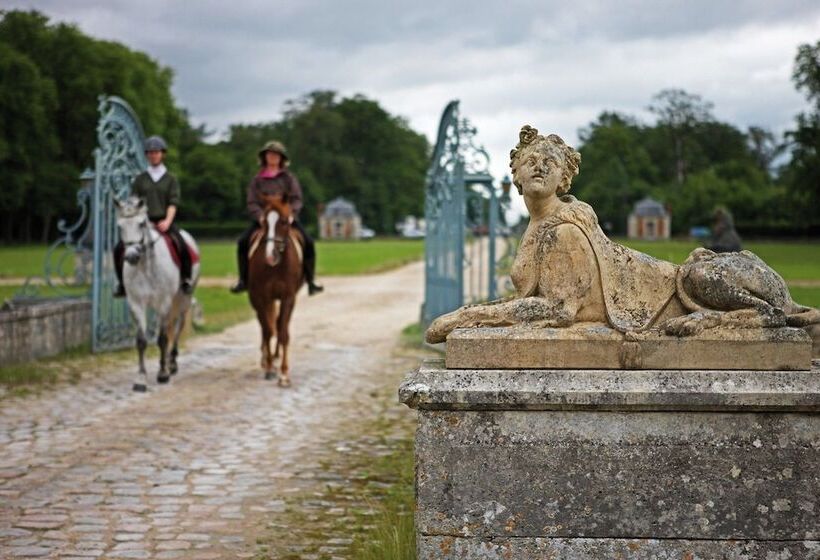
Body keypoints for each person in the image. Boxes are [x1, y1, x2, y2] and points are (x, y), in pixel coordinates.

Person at [230, 140, 323, 295]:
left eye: (276, 155)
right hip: (264, 221)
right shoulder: (257, 180)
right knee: (242, 242)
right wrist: (260, 217)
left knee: (309, 242)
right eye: (270, 154)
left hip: (286, 220)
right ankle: (243, 280)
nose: (272, 157)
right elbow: (252, 201)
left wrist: (291, 214)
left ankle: (311, 280)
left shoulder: (289, 179)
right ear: (264, 157)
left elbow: (297, 199)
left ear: (281, 158)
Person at [113, 135, 193, 297]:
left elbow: (173, 203)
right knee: (119, 249)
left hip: (164, 220)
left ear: (162, 154)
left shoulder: (171, 179)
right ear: (146, 155)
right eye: (150, 153)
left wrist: (167, 221)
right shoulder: (140, 180)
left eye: (156, 152)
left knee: (182, 245)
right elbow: (134, 202)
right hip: (143, 223)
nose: (153, 155)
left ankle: (185, 279)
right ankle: (122, 284)